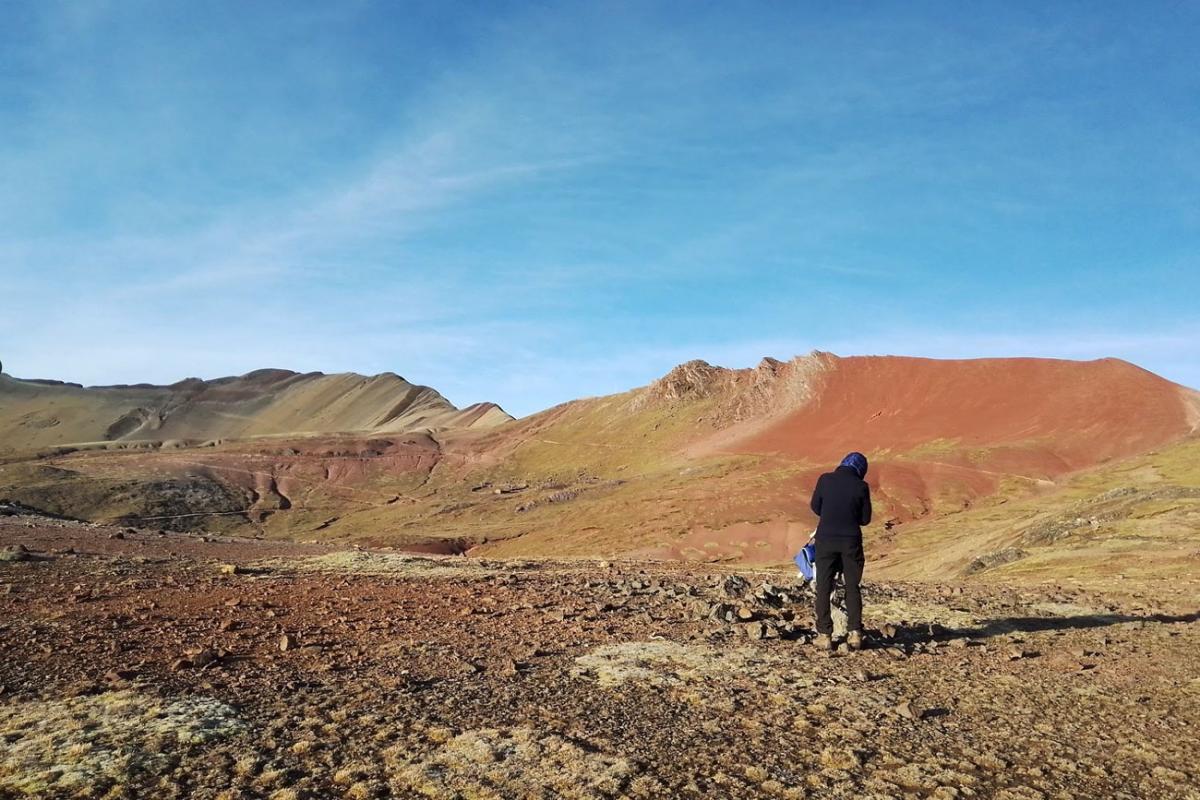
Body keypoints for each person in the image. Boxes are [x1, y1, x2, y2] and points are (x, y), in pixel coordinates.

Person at [809, 452, 872, 651]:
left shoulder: (825, 480)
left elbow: (815, 507)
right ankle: (855, 633)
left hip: (826, 539)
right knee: (852, 586)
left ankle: (824, 635)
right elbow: (865, 519)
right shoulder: (861, 486)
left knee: (823, 586)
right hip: (851, 542)